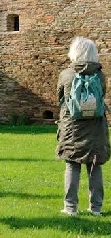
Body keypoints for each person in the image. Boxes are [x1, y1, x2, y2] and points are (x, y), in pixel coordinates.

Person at [56, 36, 110, 216]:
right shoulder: (100, 75)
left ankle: (70, 208)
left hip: (73, 128)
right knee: (95, 166)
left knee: (72, 165)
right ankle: (96, 208)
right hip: (96, 127)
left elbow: (60, 98)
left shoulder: (66, 74)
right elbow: (102, 95)